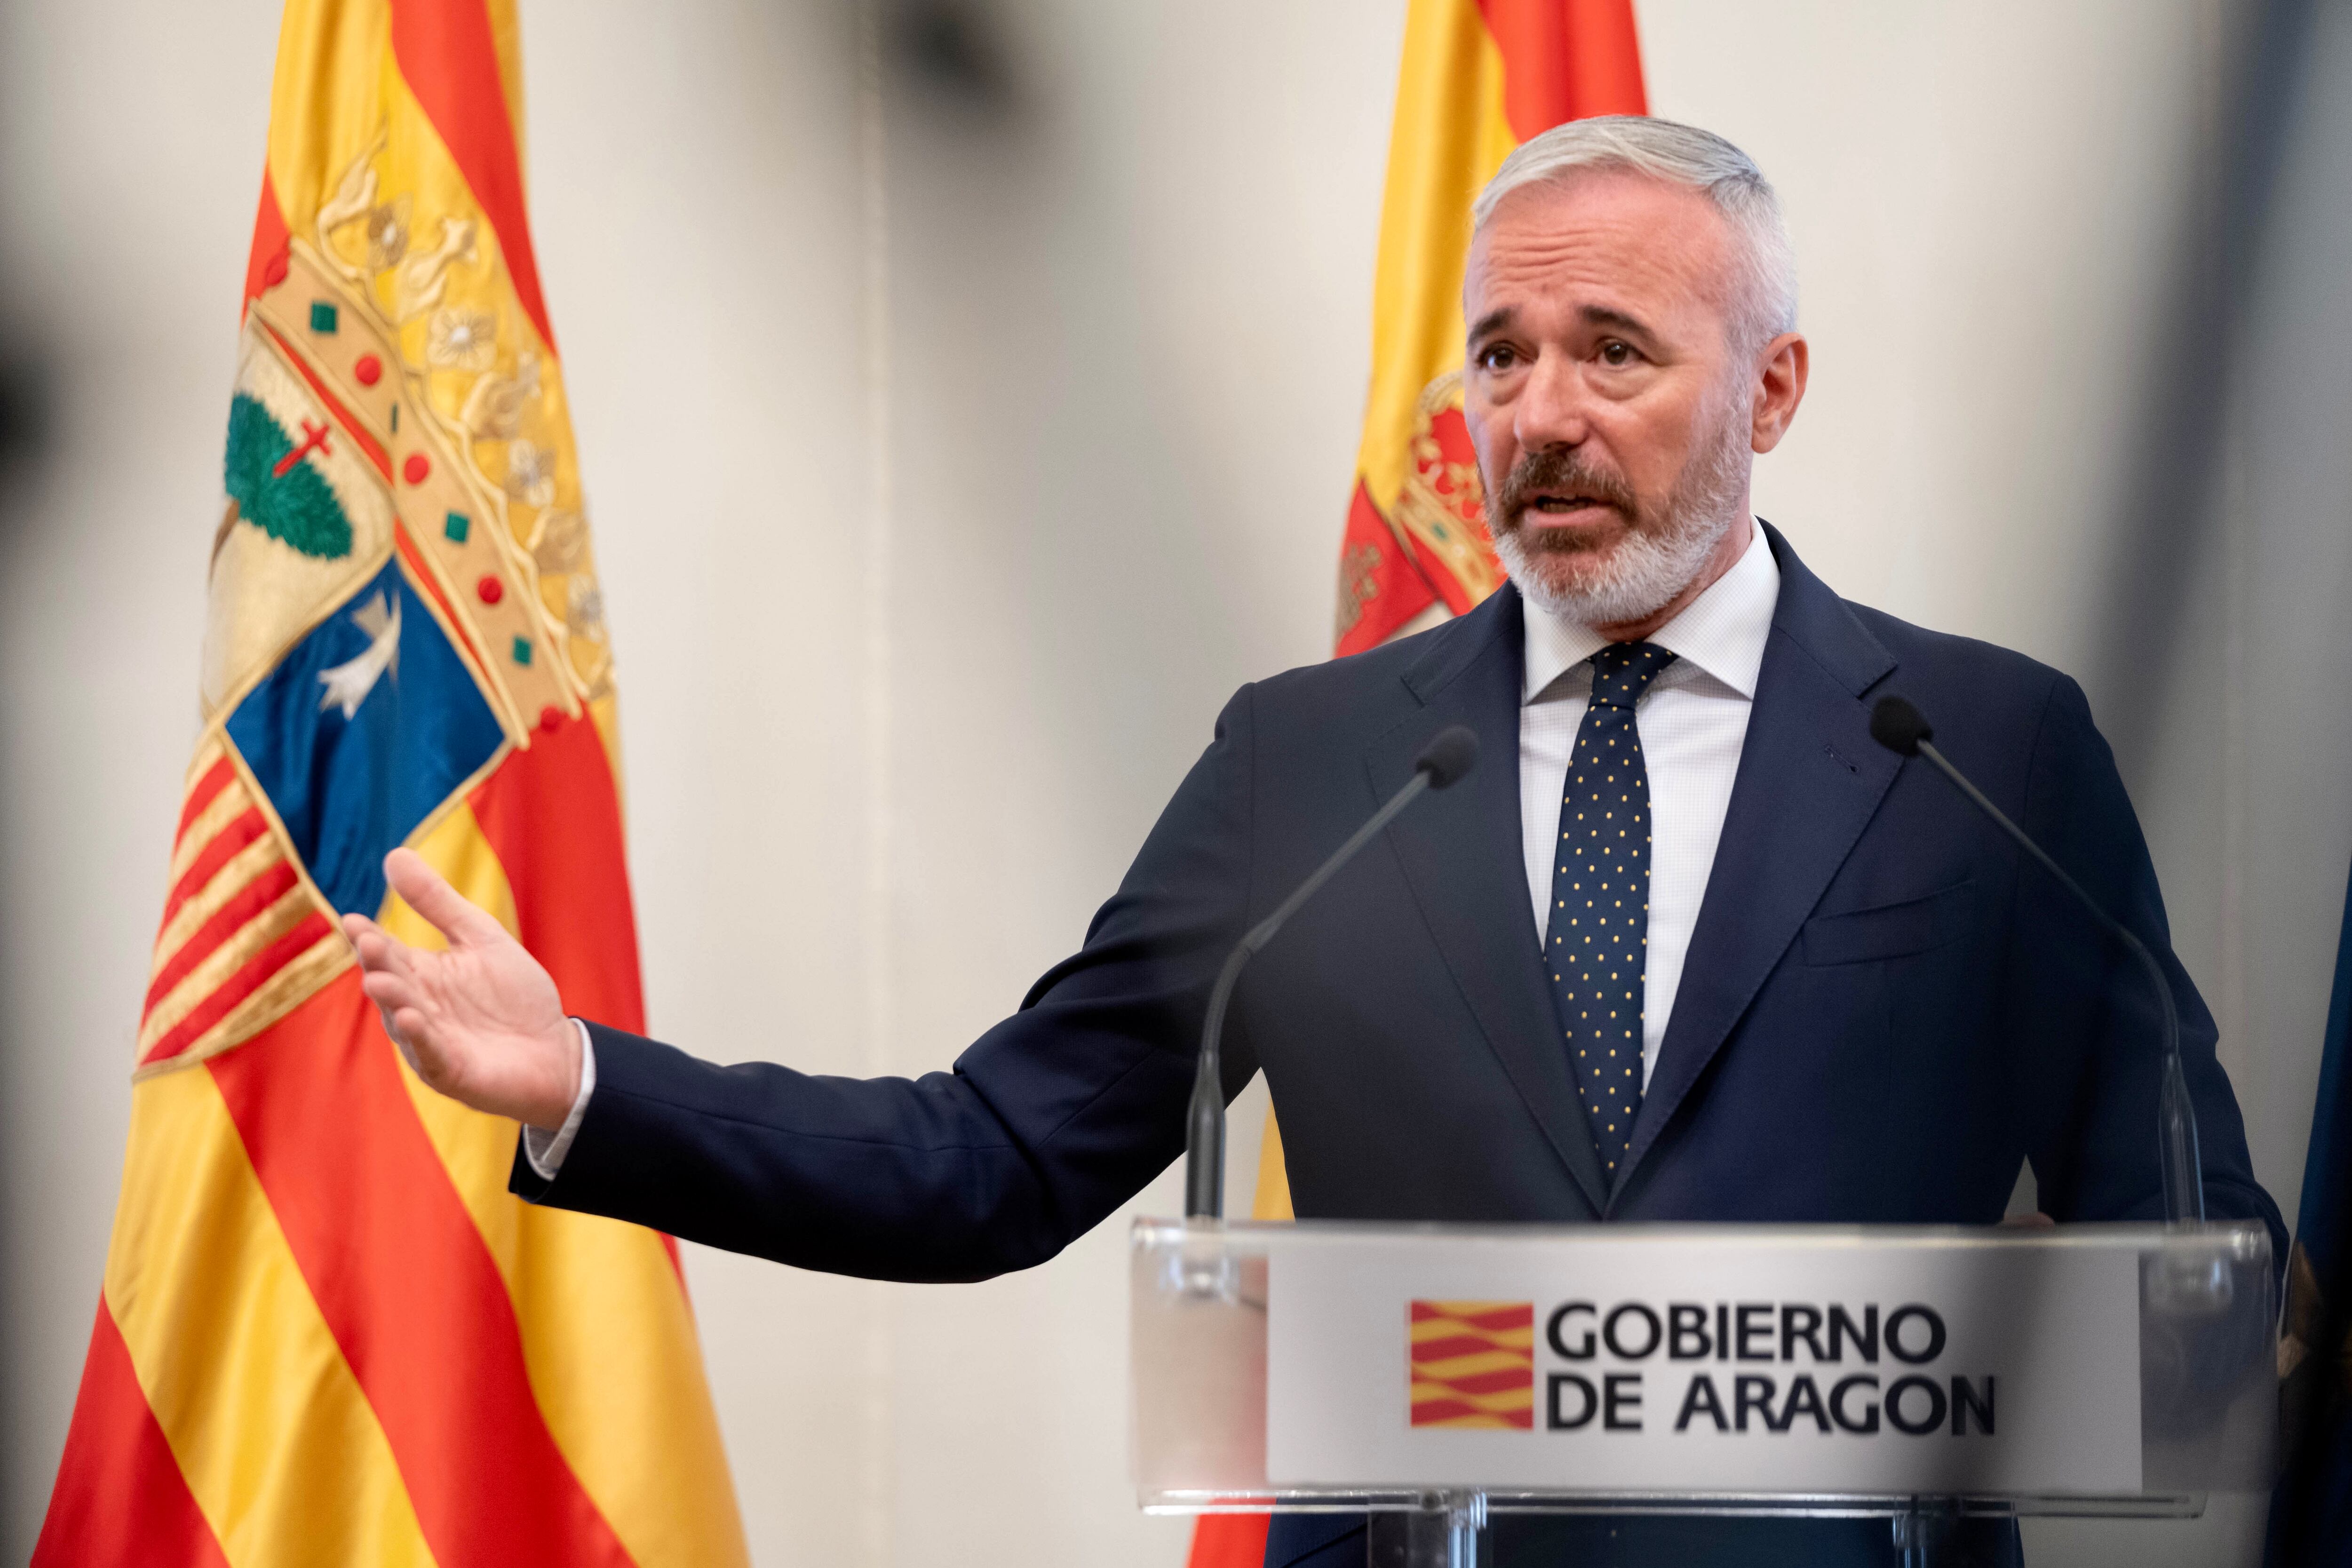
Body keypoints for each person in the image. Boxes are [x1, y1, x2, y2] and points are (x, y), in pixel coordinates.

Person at [345, 118, 2281, 1567]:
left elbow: (2190, 1253)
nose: (1537, 414)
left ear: (1770, 387)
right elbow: (995, 1156)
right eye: (1498, 355)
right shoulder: (1321, 765)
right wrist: (583, 1079)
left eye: (1612, 350)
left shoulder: (1976, 750)